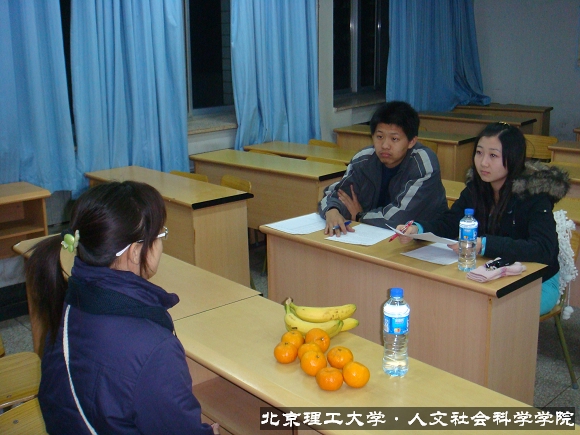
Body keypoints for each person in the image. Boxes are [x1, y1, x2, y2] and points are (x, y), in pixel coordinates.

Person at [25, 181, 216, 434]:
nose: (161, 244)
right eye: (160, 235)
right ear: (135, 252)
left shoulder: (68, 301)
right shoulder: (155, 349)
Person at [397, 122, 570, 315]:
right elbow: (450, 222)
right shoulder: (476, 188)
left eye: (493, 156)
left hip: (537, 281)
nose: (483, 163)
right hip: (488, 271)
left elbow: (543, 249)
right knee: (445, 297)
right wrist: (418, 230)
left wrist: (484, 244)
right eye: (479, 153)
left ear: (513, 157)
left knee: (489, 312)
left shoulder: (534, 195)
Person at [318, 101, 448, 236]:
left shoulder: (423, 164)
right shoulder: (363, 160)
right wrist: (332, 211)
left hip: (423, 240)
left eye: (394, 139)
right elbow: (335, 194)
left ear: (411, 142)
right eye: (379, 137)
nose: (385, 145)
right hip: (374, 235)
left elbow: (399, 218)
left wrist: (360, 216)